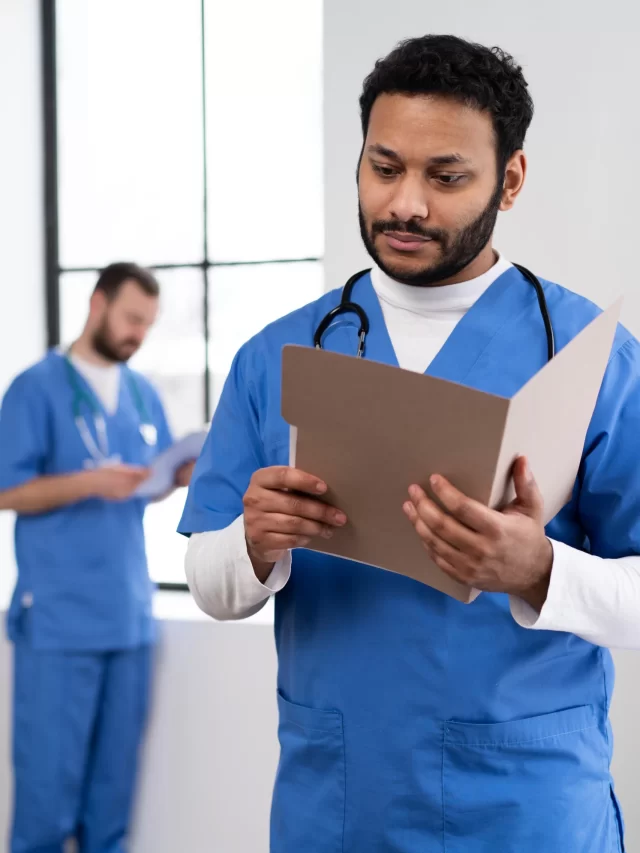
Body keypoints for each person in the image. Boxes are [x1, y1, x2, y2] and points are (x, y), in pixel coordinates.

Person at [179, 35, 637, 852]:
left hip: (525, 804)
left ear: (511, 179)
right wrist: (253, 542)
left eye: (446, 176)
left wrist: (538, 569)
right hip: (343, 797)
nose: (406, 205)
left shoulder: (589, 357)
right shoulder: (280, 355)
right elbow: (214, 587)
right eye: (383, 167)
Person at [0, 262, 194, 853]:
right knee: (46, 800)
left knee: (111, 799)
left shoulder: (140, 392)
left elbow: (146, 479)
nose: (138, 333)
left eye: (148, 324)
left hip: (128, 617)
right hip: (60, 619)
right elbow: (6, 489)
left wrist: (178, 475)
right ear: (97, 304)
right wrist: (88, 483)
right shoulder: (37, 387)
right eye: (132, 318)